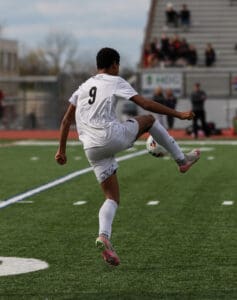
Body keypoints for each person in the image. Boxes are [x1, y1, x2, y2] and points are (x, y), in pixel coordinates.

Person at [55, 47, 200, 267]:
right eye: (118, 65)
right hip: (111, 136)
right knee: (149, 119)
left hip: (91, 148)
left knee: (111, 198)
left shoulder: (83, 87)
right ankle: (182, 161)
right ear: (114, 64)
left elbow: (66, 121)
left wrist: (62, 150)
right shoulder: (114, 80)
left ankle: (104, 236)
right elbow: (146, 104)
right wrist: (178, 114)